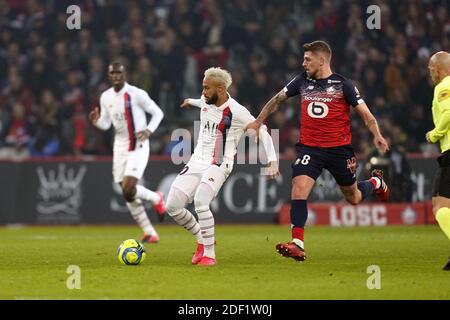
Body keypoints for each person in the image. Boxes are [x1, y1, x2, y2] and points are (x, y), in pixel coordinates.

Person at [246, 40, 390, 262]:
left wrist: (377, 134)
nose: (303, 63)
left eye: (308, 59)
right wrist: (257, 122)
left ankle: (375, 183)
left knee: (353, 197)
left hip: (339, 150)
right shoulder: (302, 81)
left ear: (322, 60)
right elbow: (277, 100)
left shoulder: (345, 85)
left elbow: (366, 115)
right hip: (310, 148)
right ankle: (298, 244)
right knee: (299, 188)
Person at [166, 67, 279, 266]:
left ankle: (209, 255)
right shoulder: (206, 101)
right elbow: (199, 101)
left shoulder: (236, 111)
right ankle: (202, 239)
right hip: (196, 160)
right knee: (172, 206)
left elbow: (262, 130)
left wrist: (272, 161)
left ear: (220, 88)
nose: (203, 92)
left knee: (201, 202)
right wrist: (188, 102)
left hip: (219, 163)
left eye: (206, 88)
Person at [89, 62, 166, 243]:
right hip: (120, 147)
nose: (116, 76)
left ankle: (157, 198)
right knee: (126, 193)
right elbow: (106, 124)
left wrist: (148, 131)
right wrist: (96, 122)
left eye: (119, 73)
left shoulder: (136, 94)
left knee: (128, 187)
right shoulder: (106, 97)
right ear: (109, 76)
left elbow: (158, 113)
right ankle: (150, 232)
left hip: (138, 144)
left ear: (125, 75)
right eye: (112, 73)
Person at [425, 51, 450, 271]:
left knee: (440, 205)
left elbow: (448, 112)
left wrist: (435, 133)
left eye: (431, 68)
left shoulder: (444, 86)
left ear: (439, 68)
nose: (430, 72)